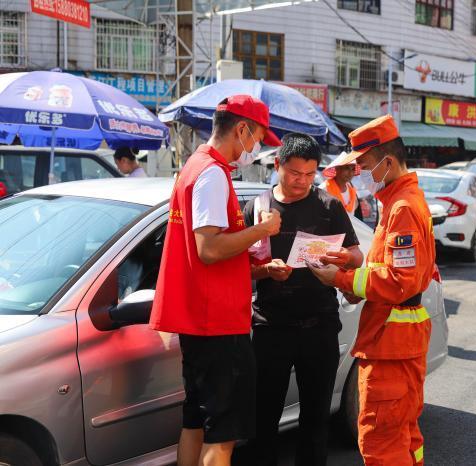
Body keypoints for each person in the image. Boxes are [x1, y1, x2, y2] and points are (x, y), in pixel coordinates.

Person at [149, 94, 283, 466]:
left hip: (202, 320)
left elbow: (207, 254)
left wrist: (257, 267)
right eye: (256, 138)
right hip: (218, 325)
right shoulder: (212, 173)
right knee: (221, 438)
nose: (255, 148)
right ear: (241, 129)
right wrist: (262, 229)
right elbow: (208, 248)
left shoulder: (194, 166)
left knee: (195, 422)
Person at [309, 115, 436, 466]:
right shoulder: (398, 201)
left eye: (363, 166)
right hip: (396, 339)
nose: (359, 175)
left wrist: (340, 279)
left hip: (391, 344)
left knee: (380, 442)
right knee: (404, 437)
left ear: (387, 162)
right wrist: (352, 273)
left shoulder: (403, 208)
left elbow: (399, 281)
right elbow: (388, 271)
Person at [244, 133, 363, 466]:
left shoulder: (328, 206)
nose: (302, 182)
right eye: (296, 173)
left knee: (315, 419)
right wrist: (267, 270)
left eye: (310, 175)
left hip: (319, 326)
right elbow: (241, 269)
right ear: (278, 164)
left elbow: (357, 256)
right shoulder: (258, 208)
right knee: (263, 419)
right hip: (270, 327)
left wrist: (340, 256)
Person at [319, 152, 363, 220]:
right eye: (347, 168)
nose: (350, 173)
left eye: (353, 169)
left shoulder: (352, 191)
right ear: (337, 169)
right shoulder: (323, 189)